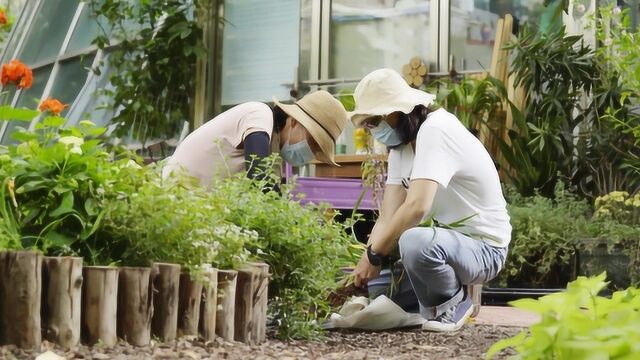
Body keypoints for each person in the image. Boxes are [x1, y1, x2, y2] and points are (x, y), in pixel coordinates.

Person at [349, 69, 511, 332]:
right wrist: (366, 261)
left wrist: (375, 255)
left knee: (413, 241)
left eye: (374, 121)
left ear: (397, 110)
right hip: (445, 244)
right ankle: (426, 306)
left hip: (484, 249)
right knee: (377, 291)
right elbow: (388, 216)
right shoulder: (401, 148)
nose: (373, 130)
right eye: (368, 124)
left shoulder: (436, 130)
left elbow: (417, 207)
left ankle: (452, 303)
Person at [162, 90, 348, 186]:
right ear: (294, 122)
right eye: (314, 142)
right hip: (174, 195)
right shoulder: (259, 114)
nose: (311, 152)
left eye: (316, 150)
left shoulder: (272, 147)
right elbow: (258, 174)